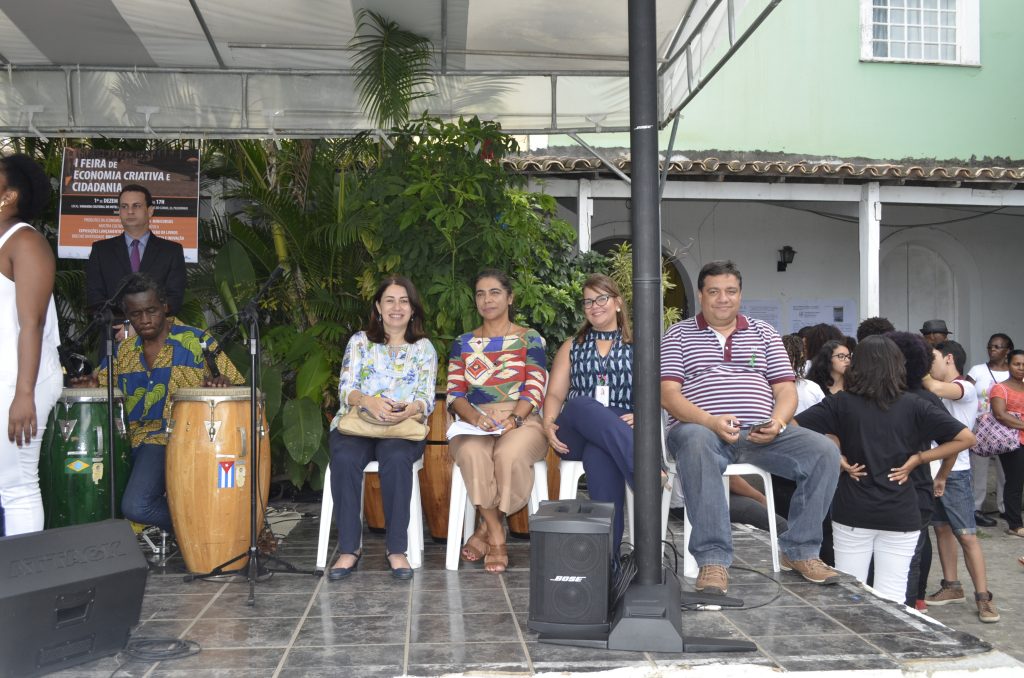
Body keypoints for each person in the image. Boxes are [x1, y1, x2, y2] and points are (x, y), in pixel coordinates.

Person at [661, 260, 841, 595]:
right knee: (697, 441)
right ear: (701, 295)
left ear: (740, 295)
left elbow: (785, 390)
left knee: (824, 452)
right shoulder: (679, 335)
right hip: (699, 431)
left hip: (760, 434)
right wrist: (710, 421)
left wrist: (779, 422)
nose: (723, 298)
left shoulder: (764, 333)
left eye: (730, 291)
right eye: (714, 291)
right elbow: (668, 394)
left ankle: (799, 550)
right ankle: (713, 559)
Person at [795, 336, 975, 604]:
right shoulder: (915, 404)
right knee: (893, 595)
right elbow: (966, 438)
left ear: (858, 366)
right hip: (901, 509)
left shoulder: (841, 402)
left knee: (851, 593)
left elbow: (792, 426)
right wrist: (919, 459)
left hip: (853, 507)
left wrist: (835, 454)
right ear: (897, 366)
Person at [72, 274, 241, 531]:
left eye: (151, 310)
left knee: (137, 506)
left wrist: (222, 385)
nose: (144, 319)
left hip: (173, 439)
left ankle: (208, 527)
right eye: (136, 314)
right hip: (127, 441)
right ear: (127, 316)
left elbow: (236, 388)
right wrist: (90, 386)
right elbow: (102, 386)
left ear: (165, 306)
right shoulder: (123, 351)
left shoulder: (197, 341)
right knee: (88, 491)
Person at [326, 276, 437, 581]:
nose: (396, 307)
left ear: (413, 309)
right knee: (345, 458)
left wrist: (408, 410)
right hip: (358, 424)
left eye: (404, 301)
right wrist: (368, 401)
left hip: (402, 428)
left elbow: (426, 398)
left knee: (397, 459)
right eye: (389, 300)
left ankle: (397, 549)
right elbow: (345, 388)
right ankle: (349, 548)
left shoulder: (424, 348)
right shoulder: (359, 342)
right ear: (378, 306)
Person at [446, 269, 548, 573]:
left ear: (510, 298)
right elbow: (455, 394)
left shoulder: (529, 338)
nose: (487, 300)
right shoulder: (463, 342)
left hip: (523, 420)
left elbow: (535, 387)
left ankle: (484, 530)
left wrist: (515, 418)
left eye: (494, 293)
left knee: (508, 454)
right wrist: (476, 418)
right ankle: (497, 536)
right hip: (474, 423)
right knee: (472, 453)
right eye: (480, 294)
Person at [543, 274, 635, 553]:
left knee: (600, 454)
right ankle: (643, 469)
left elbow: (655, 391)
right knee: (580, 404)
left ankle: (609, 558)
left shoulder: (637, 344)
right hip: (575, 430)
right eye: (588, 302)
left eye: (601, 299)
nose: (594, 306)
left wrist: (642, 415)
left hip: (618, 429)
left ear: (617, 303)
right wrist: (548, 423)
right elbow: (555, 395)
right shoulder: (572, 345)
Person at [0, 154, 63, 536]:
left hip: (21, 380)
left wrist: (24, 394)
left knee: (17, 486)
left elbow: (32, 322)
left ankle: (21, 574)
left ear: (8, 196)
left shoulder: (25, 242)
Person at [922, 340, 999, 622]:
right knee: (942, 529)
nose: (928, 364)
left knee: (966, 536)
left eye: (931, 358)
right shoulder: (938, 387)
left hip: (955, 472)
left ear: (949, 358)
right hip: (933, 470)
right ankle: (952, 586)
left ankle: (984, 598)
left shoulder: (964, 387)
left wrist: (915, 364)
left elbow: (935, 387)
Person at [85, 184, 186, 326]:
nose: (130, 211)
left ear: (150, 211)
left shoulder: (171, 251)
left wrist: (139, 325)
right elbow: (95, 297)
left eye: (136, 206)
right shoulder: (101, 250)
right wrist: (125, 325)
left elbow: (173, 300)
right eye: (124, 206)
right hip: (114, 332)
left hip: (155, 334)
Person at [966, 333, 1013, 527]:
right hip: (981, 428)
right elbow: (965, 394)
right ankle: (975, 508)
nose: (992, 350)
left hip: (1007, 428)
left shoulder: (1014, 372)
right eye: (990, 346)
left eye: (997, 346)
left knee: (1006, 471)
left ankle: (1005, 507)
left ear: (1008, 350)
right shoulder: (977, 370)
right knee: (979, 470)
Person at [990, 349, 1024, 538]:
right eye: (1016, 364)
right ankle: (1014, 524)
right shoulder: (1000, 388)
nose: (1021, 368)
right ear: (1008, 364)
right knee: (1015, 482)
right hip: (1012, 443)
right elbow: (1000, 415)